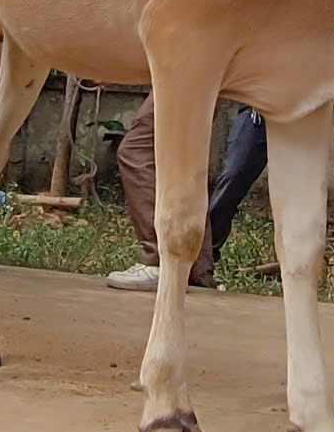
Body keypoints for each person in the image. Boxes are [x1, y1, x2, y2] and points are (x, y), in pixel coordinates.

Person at [107, 99, 267, 291]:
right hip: (206, 82)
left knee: (137, 149)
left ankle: (159, 259)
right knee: (185, 164)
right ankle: (197, 270)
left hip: (187, 78)